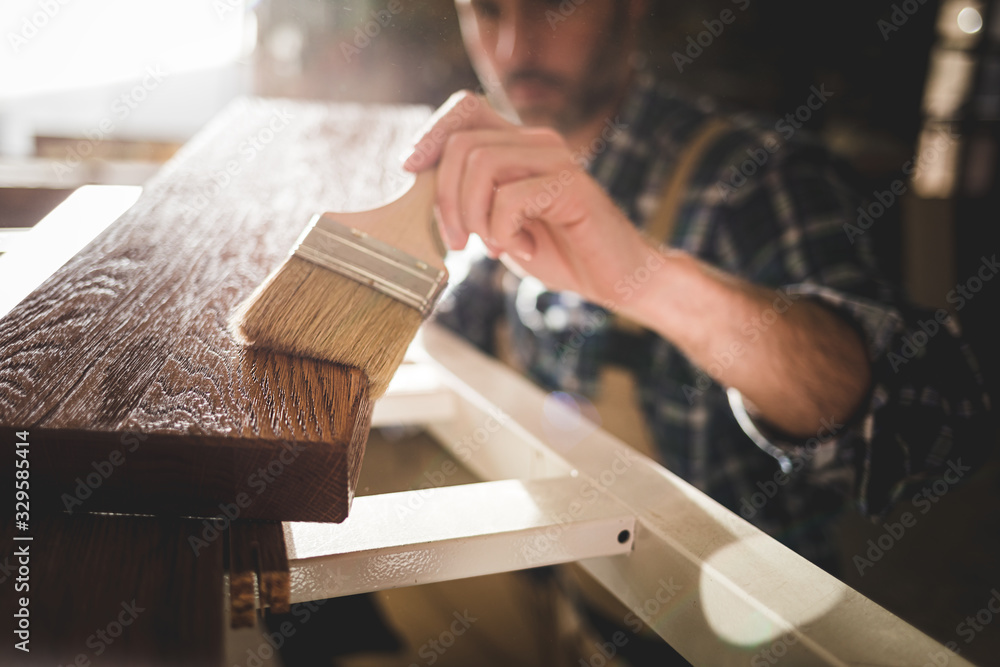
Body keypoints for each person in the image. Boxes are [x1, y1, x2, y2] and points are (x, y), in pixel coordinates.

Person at [399, 0, 993, 571]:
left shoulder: (753, 178)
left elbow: (934, 423)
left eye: (556, 1)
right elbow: (453, 336)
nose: (514, 47)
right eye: (488, 8)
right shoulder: (502, 177)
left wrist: (650, 280)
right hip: (565, 611)